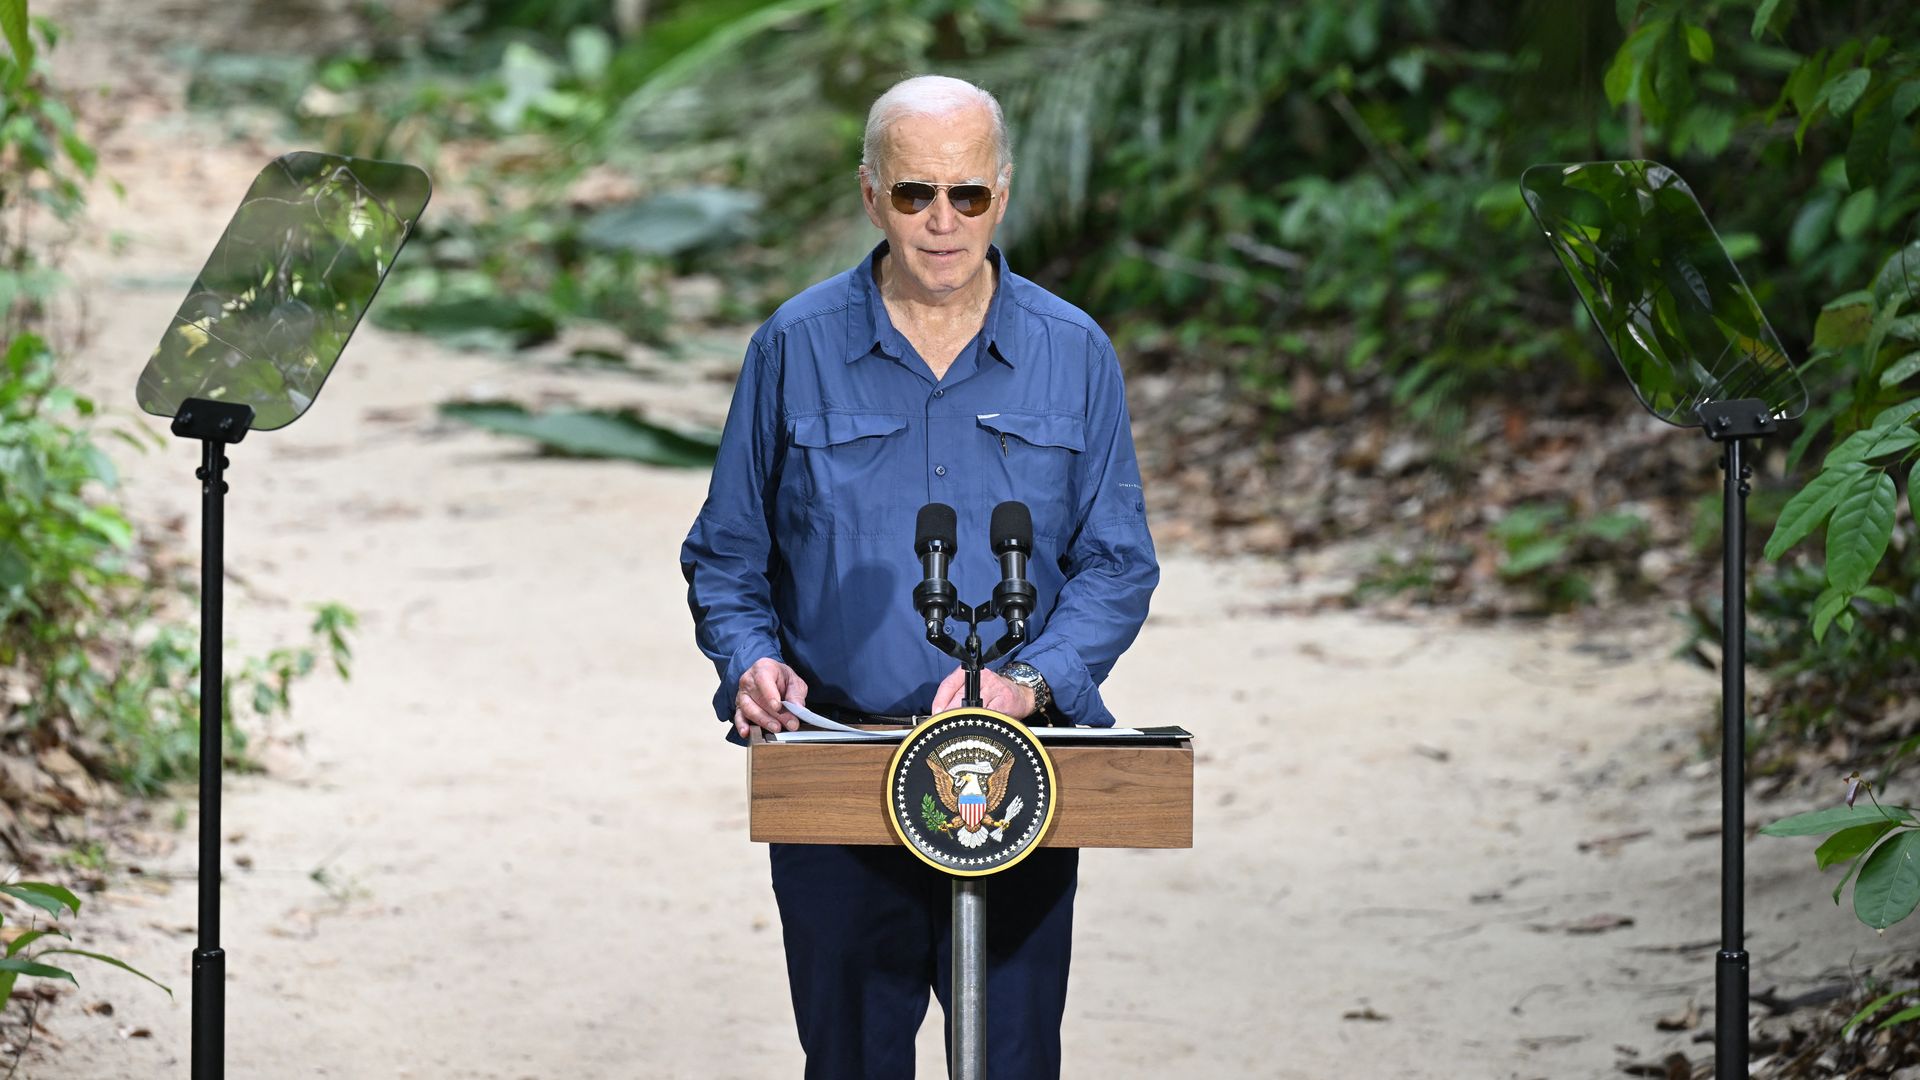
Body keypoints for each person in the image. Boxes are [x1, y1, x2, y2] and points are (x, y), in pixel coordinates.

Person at [680, 73, 1158, 1080]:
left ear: (1002, 194)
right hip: (839, 763)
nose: (944, 222)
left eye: (968, 194)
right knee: (851, 1058)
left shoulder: (1073, 352)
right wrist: (750, 660)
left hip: (1016, 771)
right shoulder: (794, 347)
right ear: (871, 196)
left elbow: (1118, 563)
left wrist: (1029, 680)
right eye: (915, 194)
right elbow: (727, 555)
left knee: (1011, 1058)